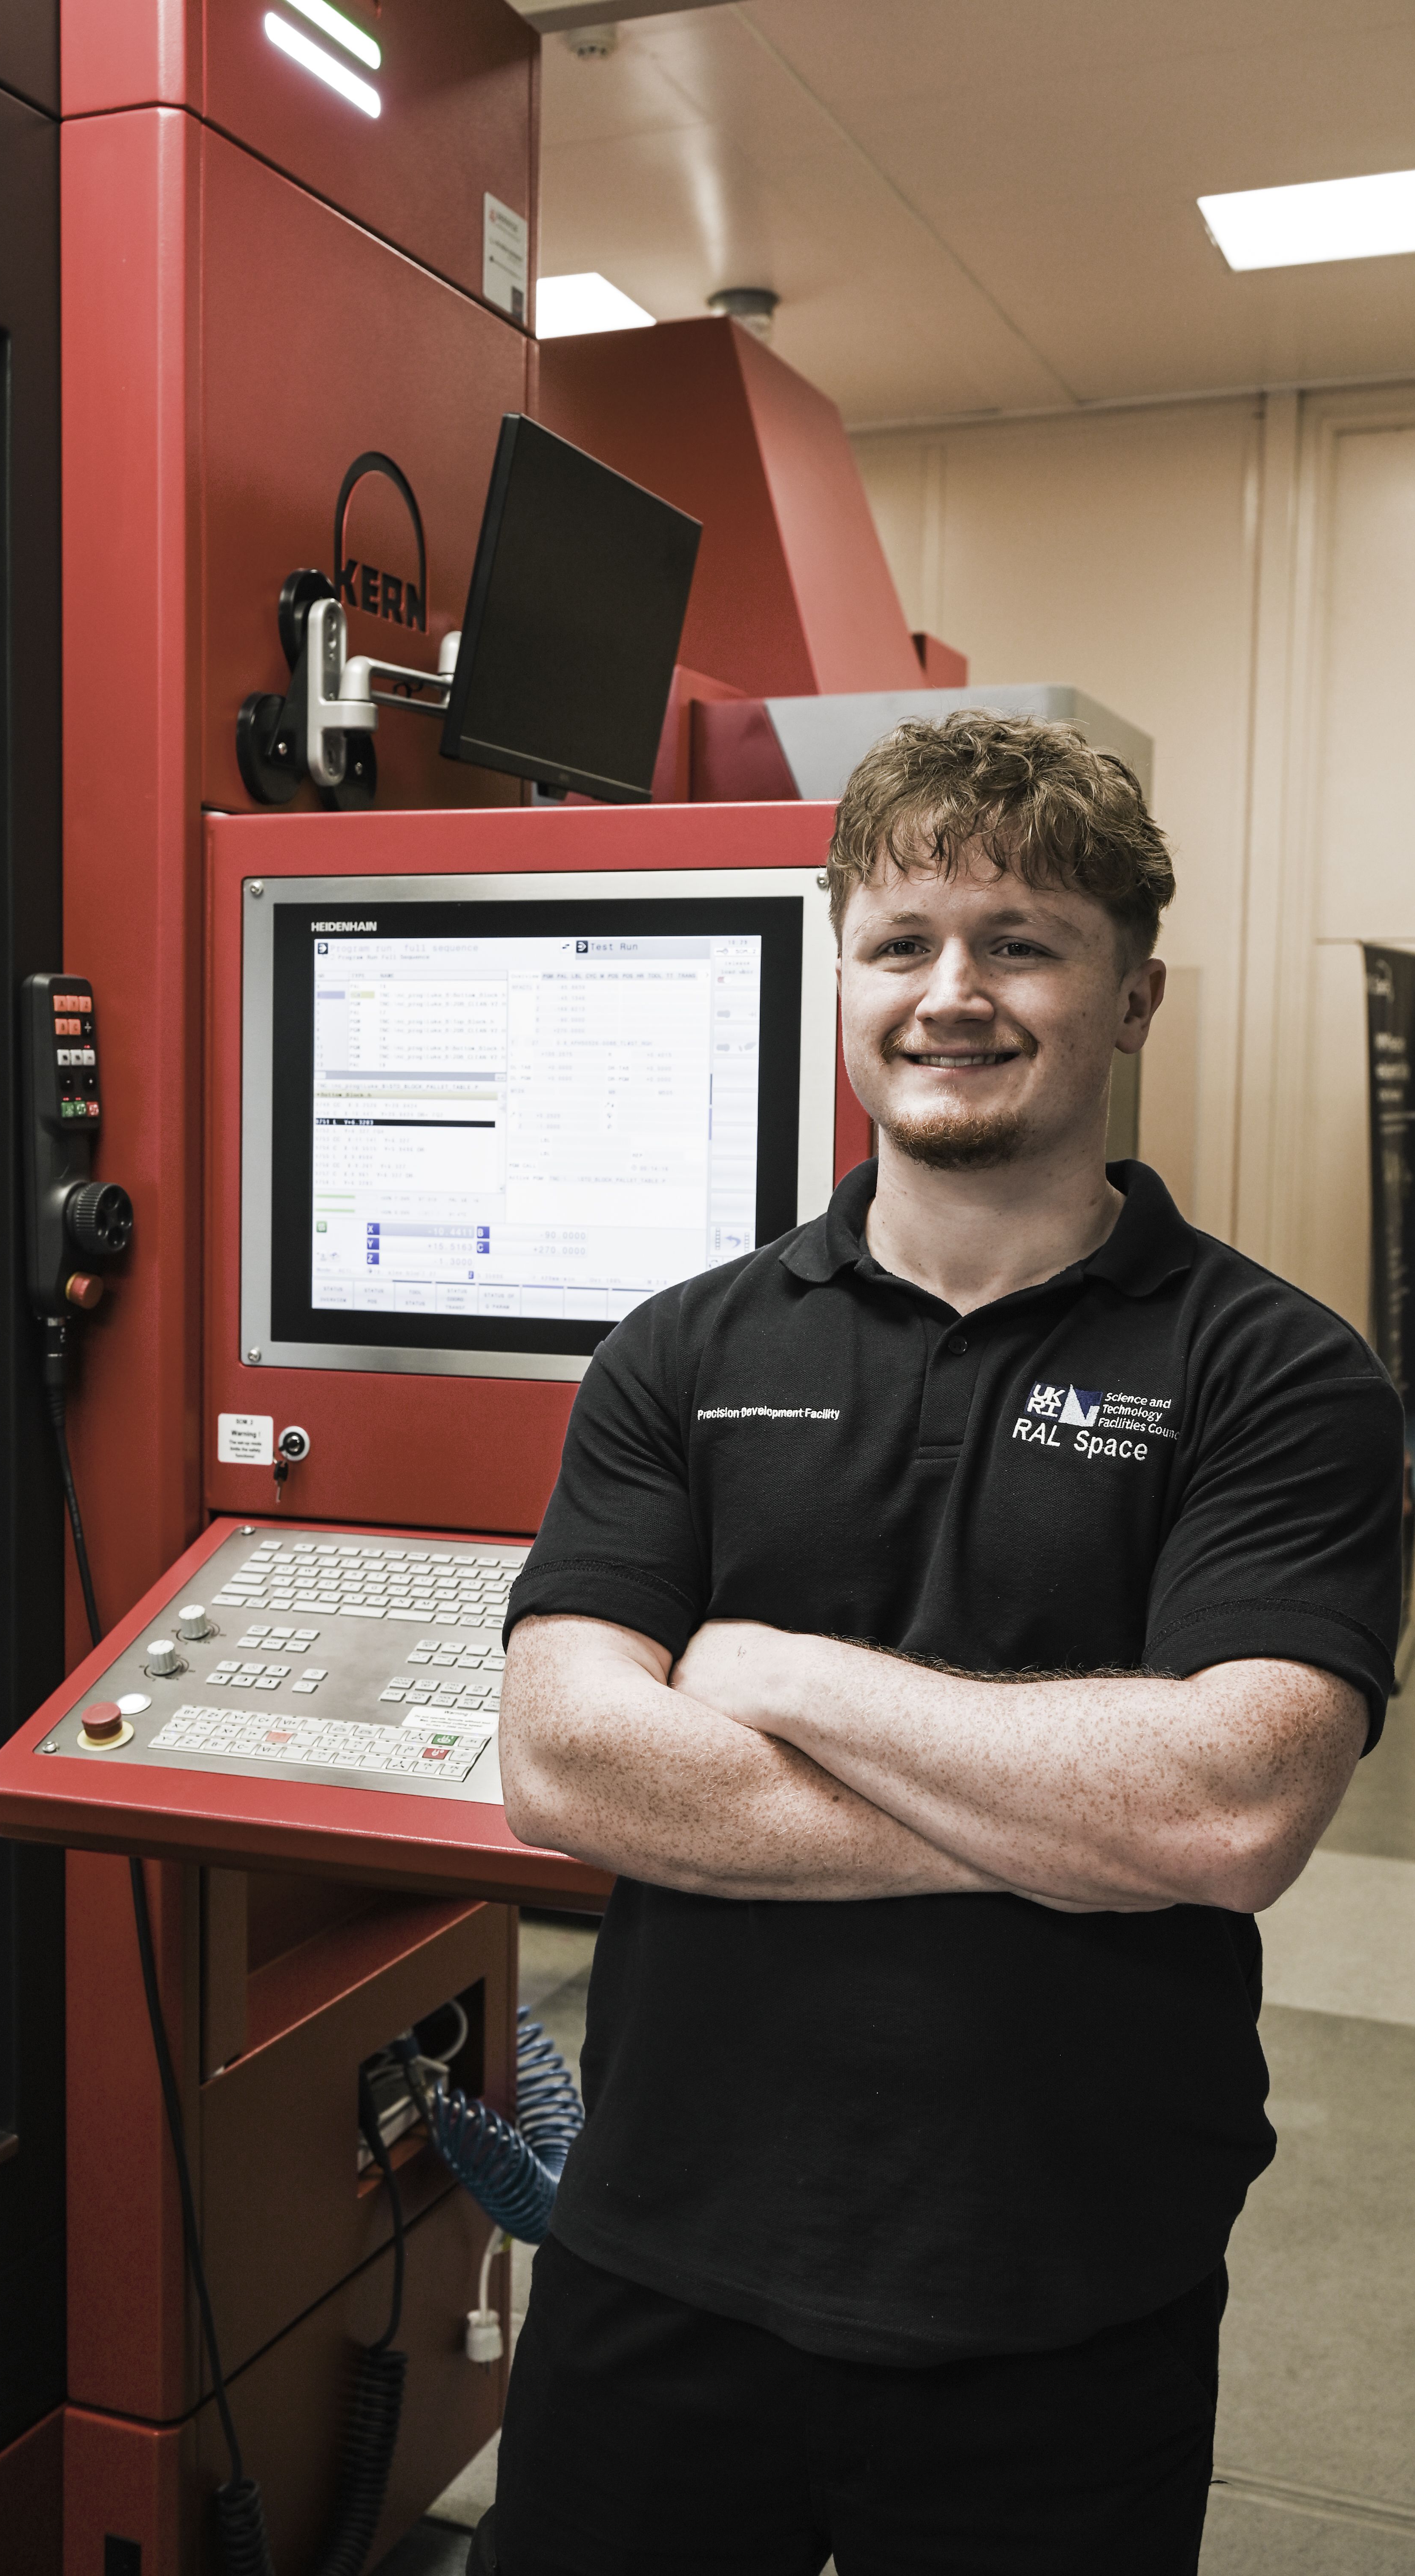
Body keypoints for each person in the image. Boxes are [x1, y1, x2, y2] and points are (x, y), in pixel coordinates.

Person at [480, 713, 1404, 2576]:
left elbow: (1225, 1817)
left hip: (1062, 2288)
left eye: (1022, 943)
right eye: (901, 945)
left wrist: (778, 1675)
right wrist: (1065, 1834)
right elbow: (564, 1761)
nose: (950, 995)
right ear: (846, 979)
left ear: (1131, 998)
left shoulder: (1280, 1374)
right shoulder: (684, 1349)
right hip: (659, 2256)